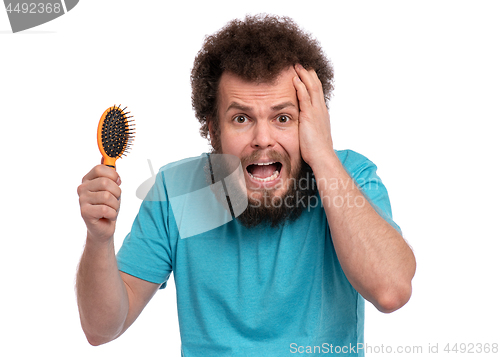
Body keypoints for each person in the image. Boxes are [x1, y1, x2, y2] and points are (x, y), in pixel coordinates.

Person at [76, 14, 416, 356]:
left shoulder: (348, 176)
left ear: (310, 122)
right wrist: (99, 238)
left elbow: (391, 291)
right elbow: (101, 328)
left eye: (283, 118)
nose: (263, 139)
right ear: (213, 130)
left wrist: (323, 155)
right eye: (241, 118)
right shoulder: (176, 189)